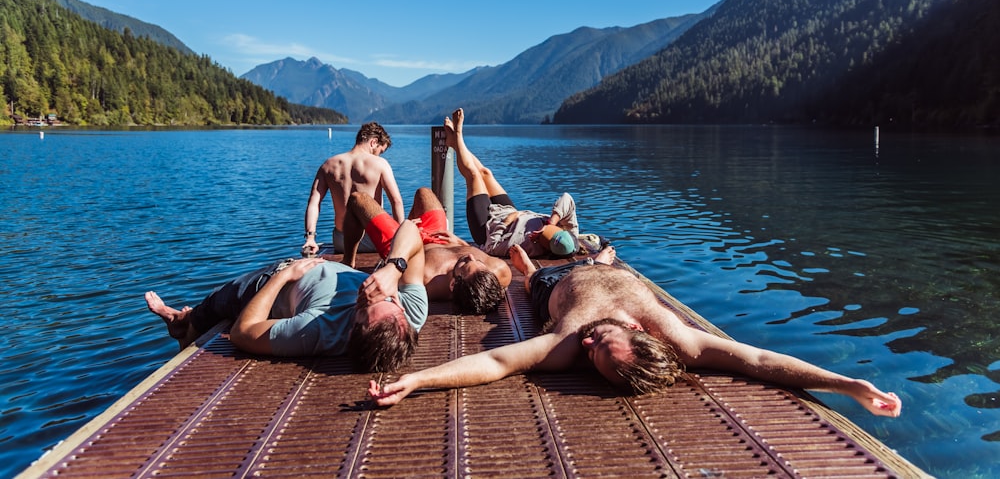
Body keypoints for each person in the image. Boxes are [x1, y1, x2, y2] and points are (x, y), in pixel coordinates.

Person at [368, 248, 902, 418]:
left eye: (592, 354)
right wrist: (850, 385)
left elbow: (497, 363)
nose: (588, 345)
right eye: (601, 343)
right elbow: (759, 360)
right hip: (610, 273)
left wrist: (418, 379)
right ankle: (600, 254)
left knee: (530, 275)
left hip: (557, 285)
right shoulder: (678, 336)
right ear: (637, 332)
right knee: (599, 255)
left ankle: (531, 262)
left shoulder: (567, 339)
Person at [146, 220, 428, 372]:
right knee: (205, 311)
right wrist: (394, 268)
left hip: (270, 283)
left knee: (211, 308)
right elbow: (411, 230)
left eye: (371, 302)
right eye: (393, 302)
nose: (379, 292)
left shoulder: (318, 329)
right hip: (307, 272)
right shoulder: (410, 316)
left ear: (355, 322)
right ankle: (181, 320)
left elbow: (242, 333)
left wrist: (286, 275)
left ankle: (180, 323)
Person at [343, 186, 512, 314]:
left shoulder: (426, 281)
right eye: (478, 261)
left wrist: (406, 235)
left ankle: (348, 261)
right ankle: (407, 227)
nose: (470, 256)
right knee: (423, 193)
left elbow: (388, 278)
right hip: (439, 237)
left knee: (358, 199)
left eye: (466, 263)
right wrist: (460, 242)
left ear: (453, 284)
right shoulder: (499, 271)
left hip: (402, 248)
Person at [444, 108, 582, 259]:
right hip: (511, 212)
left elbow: (491, 247)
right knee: (486, 173)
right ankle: (455, 143)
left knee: (474, 176)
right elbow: (567, 199)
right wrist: (552, 221)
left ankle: (458, 135)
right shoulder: (570, 236)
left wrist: (506, 221)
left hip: (487, 227)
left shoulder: (526, 246)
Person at [301, 122, 405, 256]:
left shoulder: (328, 165)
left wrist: (310, 238)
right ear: (373, 142)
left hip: (342, 242)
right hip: (374, 240)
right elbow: (396, 201)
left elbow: (314, 203)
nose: (379, 156)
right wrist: (401, 238)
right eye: (380, 151)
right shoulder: (380, 164)